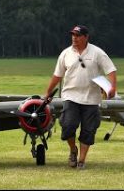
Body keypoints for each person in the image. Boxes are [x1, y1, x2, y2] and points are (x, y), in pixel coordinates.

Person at [45, 25, 117, 170]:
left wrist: (112, 87)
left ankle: (82, 161)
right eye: (73, 35)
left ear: (86, 37)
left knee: (88, 130)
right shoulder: (66, 54)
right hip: (70, 96)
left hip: (92, 98)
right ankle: (73, 150)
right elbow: (57, 75)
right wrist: (48, 93)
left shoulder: (97, 53)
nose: (74, 38)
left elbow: (111, 70)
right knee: (68, 125)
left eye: (77, 35)